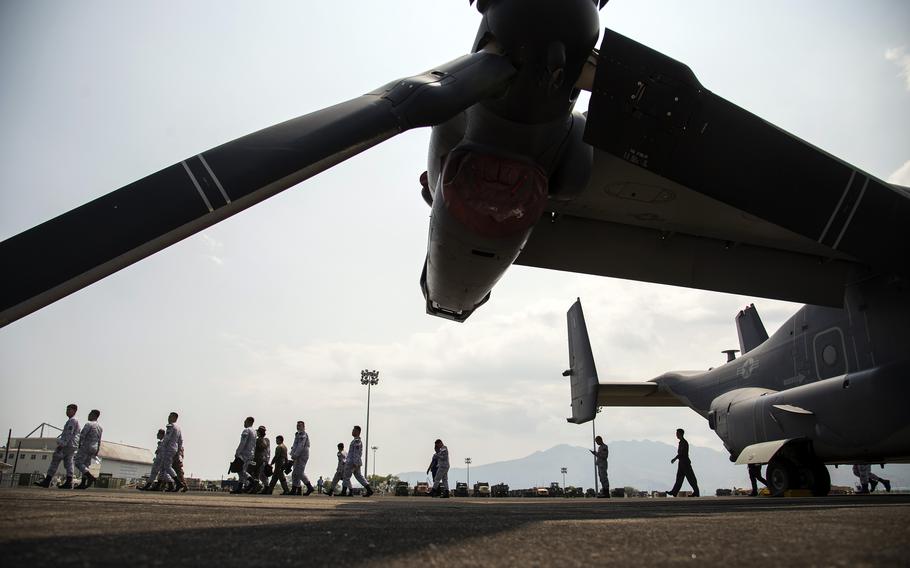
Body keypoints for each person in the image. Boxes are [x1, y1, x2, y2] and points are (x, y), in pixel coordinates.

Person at [35, 403, 80, 489]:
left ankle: (47, 481)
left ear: (74, 411)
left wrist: (62, 444)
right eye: (66, 410)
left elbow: (68, 434)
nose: (67, 412)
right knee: (69, 463)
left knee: (55, 460)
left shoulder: (72, 421)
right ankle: (69, 482)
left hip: (67, 445)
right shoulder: (73, 421)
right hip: (72, 445)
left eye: (69, 410)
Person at [75, 409, 103, 490]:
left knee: (78, 462)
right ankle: (83, 483)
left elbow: (82, 435)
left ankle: (90, 476)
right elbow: (99, 439)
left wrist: (80, 445)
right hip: (94, 447)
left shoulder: (88, 424)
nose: (88, 415)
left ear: (94, 415)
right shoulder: (100, 427)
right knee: (86, 465)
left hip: (86, 446)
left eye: (90, 414)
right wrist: (97, 450)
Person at [342, 425, 373, 497]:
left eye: (354, 430)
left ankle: (344, 491)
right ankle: (369, 490)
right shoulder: (355, 441)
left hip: (352, 462)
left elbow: (356, 453)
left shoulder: (356, 441)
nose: (352, 431)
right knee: (359, 476)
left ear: (358, 432)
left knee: (346, 476)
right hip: (355, 462)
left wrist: (355, 463)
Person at [668, 428, 699, 497]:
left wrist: (675, 458)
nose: (676, 435)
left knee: (691, 478)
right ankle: (674, 492)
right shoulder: (681, 442)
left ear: (680, 434)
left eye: (677, 433)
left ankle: (696, 492)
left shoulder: (684, 442)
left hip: (685, 463)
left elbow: (682, 453)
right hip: (681, 463)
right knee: (679, 478)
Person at [156, 412, 183, 492]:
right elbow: (180, 440)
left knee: (166, 466)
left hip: (168, 448)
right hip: (174, 448)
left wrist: (160, 448)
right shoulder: (178, 428)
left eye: (170, 417)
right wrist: (178, 451)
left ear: (175, 418)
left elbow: (167, 438)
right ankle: (160, 485)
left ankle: (178, 483)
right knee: (163, 467)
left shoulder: (171, 426)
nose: (168, 418)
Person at [231, 416, 256, 494]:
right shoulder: (254, 432)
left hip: (244, 453)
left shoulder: (246, 430)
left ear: (248, 421)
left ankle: (252, 481)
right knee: (242, 470)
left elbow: (243, 442)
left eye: (245, 421)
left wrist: (237, 452)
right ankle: (239, 488)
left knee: (240, 470)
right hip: (250, 453)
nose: (244, 423)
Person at [289, 421, 314, 496]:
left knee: (299, 472)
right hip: (297, 455)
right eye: (297, 425)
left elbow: (301, 446)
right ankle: (295, 489)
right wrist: (292, 453)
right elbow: (295, 445)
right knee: (295, 473)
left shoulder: (303, 435)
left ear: (303, 427)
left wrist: (295, 454)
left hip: (302, 454)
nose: (298, 427)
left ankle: (309, 487)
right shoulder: (298, 434)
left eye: (300, 425)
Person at [247, 425, 270, 494]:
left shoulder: (257, 440)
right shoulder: (265, 441)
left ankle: (256, 485)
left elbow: (253, 449)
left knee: (248, 471)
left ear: (259, 432)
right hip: (262, 459)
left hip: (256, 459)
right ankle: (255, 487)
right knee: (257, 474)